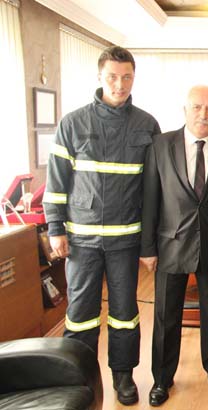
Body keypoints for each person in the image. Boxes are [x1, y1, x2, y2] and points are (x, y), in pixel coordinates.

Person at [43, 46, 160, 405]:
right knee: (80, 315)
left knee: (125, 314)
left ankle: (123, 377)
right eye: (112, 76)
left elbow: (153, 191)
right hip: (82, 242)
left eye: (127, 77)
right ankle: (78, 377)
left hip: (126, 241)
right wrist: (55, 228)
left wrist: (150, 244)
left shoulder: (147, 125)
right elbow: (56, 181)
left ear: (134, 78)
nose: (119, 84)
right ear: (99, 77)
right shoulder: (73, 123)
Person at [140, 85, 208, 406]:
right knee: (166, 316)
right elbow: (150, 199)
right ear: (185, 110)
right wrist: (147, 247)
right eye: (197, 107)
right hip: (170, 244)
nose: (203, 114)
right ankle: (161, 379)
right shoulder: (160, 145)